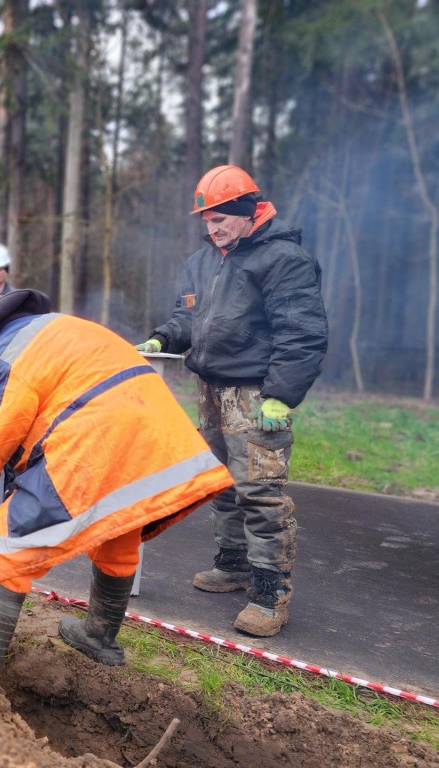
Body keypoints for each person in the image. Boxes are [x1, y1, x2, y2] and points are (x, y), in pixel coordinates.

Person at [0, 286, 233, 711]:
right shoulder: (53, 332)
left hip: (97, 442)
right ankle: (99, 637)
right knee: (118, 531)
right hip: (160, 442)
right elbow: (23, 455)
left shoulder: (2, 357)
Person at [136, 165, 328, 637]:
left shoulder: (284, 259)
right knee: (222, 484)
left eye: (221, 218)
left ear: (249, 212)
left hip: (256, 396)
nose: (212, 227)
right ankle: (234, 565)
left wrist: (281, 396)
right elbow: (189, 317)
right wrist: (162, 338)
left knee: (261, 493)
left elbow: (301, 334)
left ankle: (269, 595)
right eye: (206, 219)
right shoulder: (204, 260)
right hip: (210, 392)